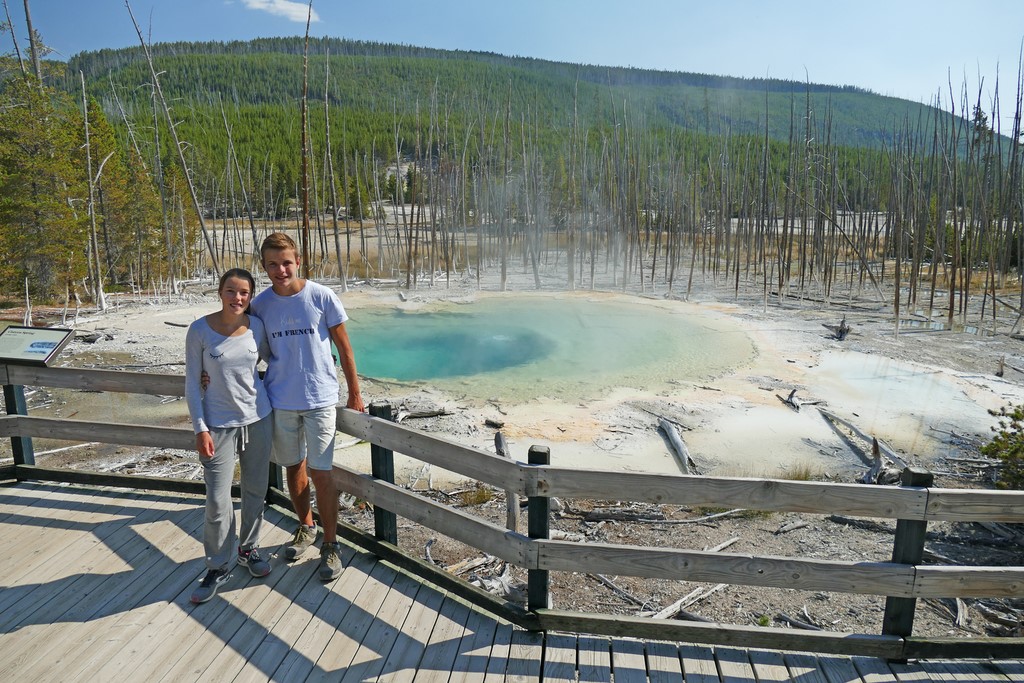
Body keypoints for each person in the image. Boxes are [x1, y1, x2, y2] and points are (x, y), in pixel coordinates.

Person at [250, 232, 364, 582]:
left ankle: (331, 544)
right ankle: (306, 526)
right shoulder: (260, 305)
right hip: (280, 398)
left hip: (320, 398)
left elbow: (345, 349)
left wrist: (355, 394)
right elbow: (248, 352)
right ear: (264, 267)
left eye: (286, 262)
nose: (281, 270)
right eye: (273, 264)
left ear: (298, 261)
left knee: (322, 472)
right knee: (293, 466)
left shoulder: (321, 296)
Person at [185, 268, 274, 605]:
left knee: (255, 490)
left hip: (259, 417)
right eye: (231, 291)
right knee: (217, 500)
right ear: (220, 292)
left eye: (244, 293)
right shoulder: (199, 330)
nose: (238, 298)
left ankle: (248, 549)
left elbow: (273, 360)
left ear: (250, 297)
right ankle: (217, 565)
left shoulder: (257, 327)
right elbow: (192, 382)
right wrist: (200, 427)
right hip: (218, 424)